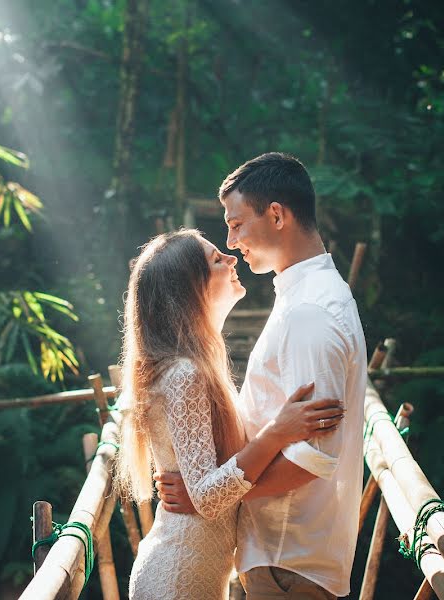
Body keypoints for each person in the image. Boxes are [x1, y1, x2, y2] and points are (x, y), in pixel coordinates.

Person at [155, 152, 367, 599]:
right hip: (276, 556)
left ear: (276, 215)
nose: (231, 242)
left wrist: (209, 497)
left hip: (289, 560)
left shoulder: (310, 311)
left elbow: (313, 457)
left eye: (235, 224)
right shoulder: (300, 298)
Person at [115, 229, 346, 600]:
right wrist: (278, 432)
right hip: (178, 578)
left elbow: (202, 486)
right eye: (216, 259)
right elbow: (207, 497)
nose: (232, 258)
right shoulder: (185, 374)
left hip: (193, 573)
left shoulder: (196, 367)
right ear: (190, 287)